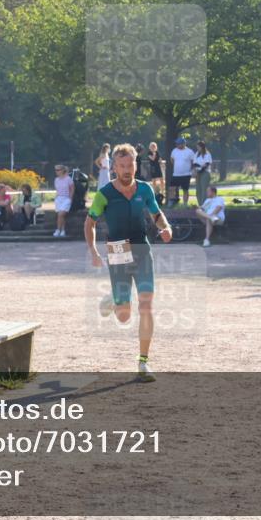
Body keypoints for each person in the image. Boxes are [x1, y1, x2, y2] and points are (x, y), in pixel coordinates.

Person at [85, 143, 172, 382]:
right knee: (124, 316)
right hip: (118, 250)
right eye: (122, 166)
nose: (126, 170)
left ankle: (143, 362)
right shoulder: (105, 194)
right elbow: (90, 222)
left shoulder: (144, 189)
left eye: (130, 165)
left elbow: (156, 213)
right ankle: (115, 301)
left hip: (142, 248)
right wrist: (93, 250)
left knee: (146, 304)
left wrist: (165, 227)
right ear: (114, 167)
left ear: (136, 164)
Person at [169, 137, 196, 207]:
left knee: (185, 189)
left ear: (183, 144)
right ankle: (172, 201)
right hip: (176, 174)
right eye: (177, 144)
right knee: (172, 187)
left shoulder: (190, 151)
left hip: (186, 174)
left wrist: (190, 169)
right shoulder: (174, 150)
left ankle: (185, 204)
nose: (177, 145)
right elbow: (172, 160)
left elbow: (193, 162)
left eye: (178, 144)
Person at [53, 165, 73, 237]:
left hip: (66, 199)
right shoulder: (56, 180)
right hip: (59, 199)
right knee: (61, 216)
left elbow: (72, 189)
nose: (56, 171)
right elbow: (57, 190)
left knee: (60, 214)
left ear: (62, 170)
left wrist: (70, 199)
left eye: (58, 170)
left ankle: (58, 229)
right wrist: (56, 198)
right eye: (56, 170)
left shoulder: (68, 179)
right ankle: (63, 230)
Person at [193, 141, 213, 206]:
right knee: (198, 190)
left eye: (198, 147)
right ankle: (200, 204)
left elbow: (207, 164)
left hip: (205, 173)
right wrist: (197, 170)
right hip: (198, 173)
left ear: (202, 147)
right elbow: (195, 163)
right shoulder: (197, 154)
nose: (197, 148)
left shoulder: (207, 154)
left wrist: (200, 169)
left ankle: (204, 205)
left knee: (204, 190)